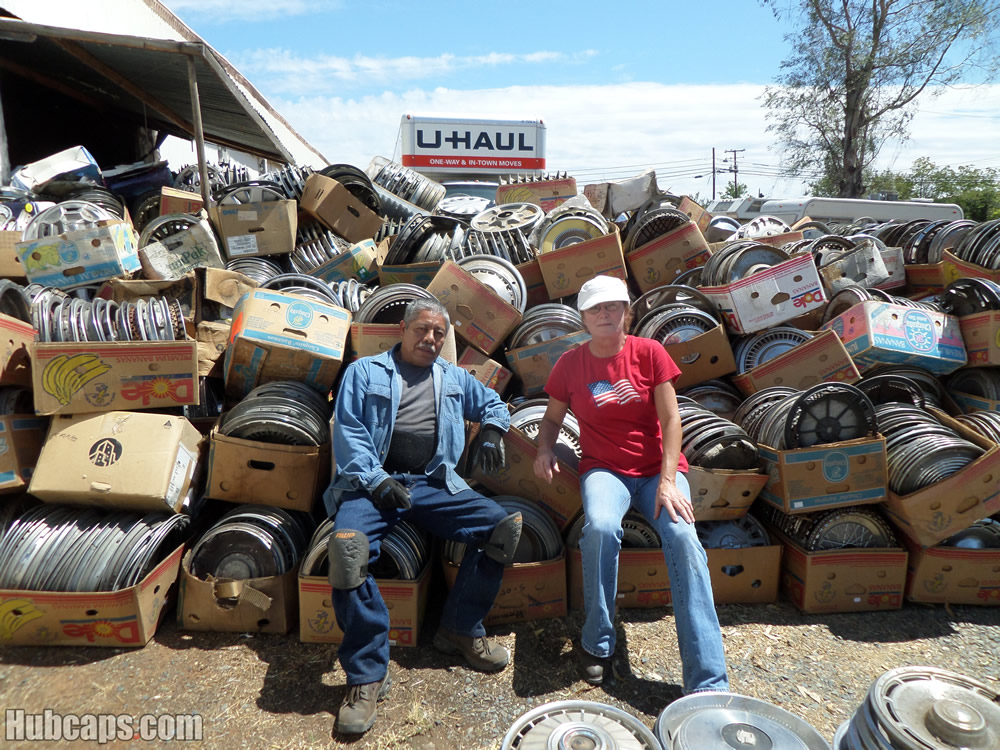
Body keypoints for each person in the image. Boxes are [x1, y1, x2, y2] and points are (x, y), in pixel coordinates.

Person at [323, 297, 522, 736]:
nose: (430, 339)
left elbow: (492, 401)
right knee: (348, 552)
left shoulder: (452, 377)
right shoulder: (364, 372)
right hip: (372, 485)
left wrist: (492, 428)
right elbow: (350, 433)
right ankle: (368, 675)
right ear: (402, 328)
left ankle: (459, 629)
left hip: (432, 484)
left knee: (503, 528)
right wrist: (377, 482)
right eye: (422, 330)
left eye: (438, 334)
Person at [532, 275, 729, 693]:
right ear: (583, 318)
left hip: (659, 470)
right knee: (601, 528)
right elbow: (550, 419)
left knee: (684, 541)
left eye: (613, 307)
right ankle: (597, 641)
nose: (605, 314)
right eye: (595, 309)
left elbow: (672, 419)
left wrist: (669, 480)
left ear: (627, 312)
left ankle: (708, 680)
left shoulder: (650, 352)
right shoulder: (571, 363)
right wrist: (544, 449)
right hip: (604, 468)